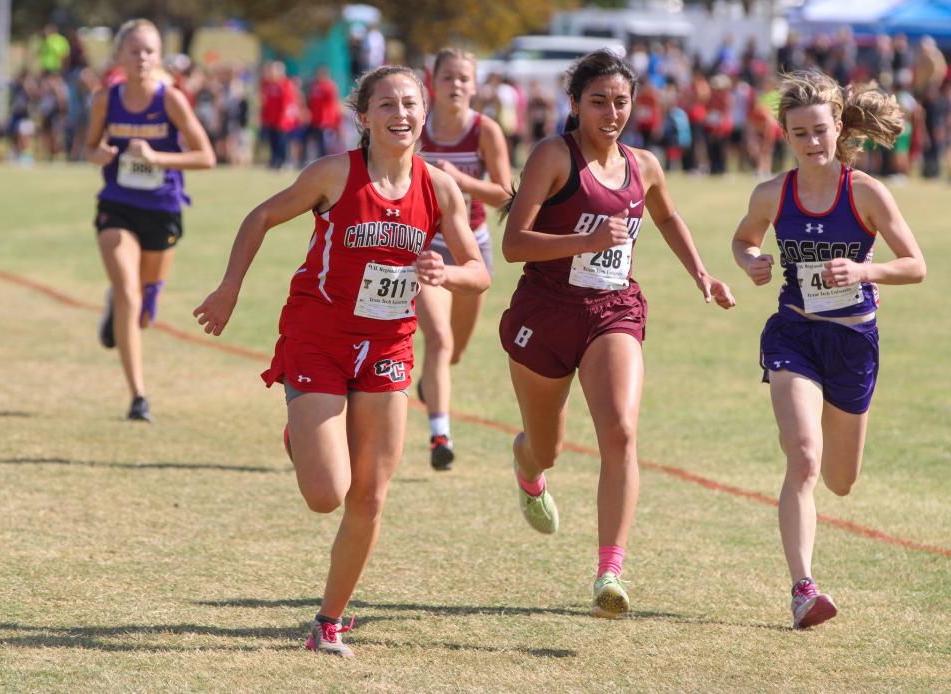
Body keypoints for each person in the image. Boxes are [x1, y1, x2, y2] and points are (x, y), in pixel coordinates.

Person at [193, 66, 489, 657]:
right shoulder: (335, 173)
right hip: (319, 339)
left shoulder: (441, 188)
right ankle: (303, 435)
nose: (400, 114)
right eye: (386, 104)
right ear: (364, 117)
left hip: (388, 346)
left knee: (371, 497)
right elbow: (261, 217)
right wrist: (229, 287)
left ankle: (328, 620)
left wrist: (447, 272)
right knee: (327, 493)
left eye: (410, 103)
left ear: (423, 113)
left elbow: (479, 273)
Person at [499, 50, 734, 619]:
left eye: (621, 102)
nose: (611, 112)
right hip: (545, 312)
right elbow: (513, 244)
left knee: (622, 431)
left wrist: (700, 272)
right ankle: (528, 468)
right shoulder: (554, 156)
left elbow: (668, 216)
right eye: (598, 101)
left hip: (613, 311)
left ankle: (610, 570)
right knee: (546, 444)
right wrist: (583, 241)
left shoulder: (644, 165)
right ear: (574, 103)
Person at [731, 70, 926, 629]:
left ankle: (807, 574)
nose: (812, 143)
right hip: (794, 332)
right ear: (786, 136)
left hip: (853, 341)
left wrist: (864, 268)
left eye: (820, 131)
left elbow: (916, 265)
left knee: (841, 479)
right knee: (805, 456)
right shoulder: (772, 194)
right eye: (799, 134)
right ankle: (803, 589)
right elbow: (744, 238)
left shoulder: (864, 191)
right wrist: (752, 261)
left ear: (838, 127)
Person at [84, 19, 215, 421]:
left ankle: (137, 299)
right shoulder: (107, 100)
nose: (141, 58)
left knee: (142, 306)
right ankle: (138, 396)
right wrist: (99, 154)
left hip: (162, 208)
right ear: (120, 56)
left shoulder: (170, 100)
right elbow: (88, 147)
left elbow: (205, 157)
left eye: (149, 51)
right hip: (118, 204)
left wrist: (158, 158)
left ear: (157, 57)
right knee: (127, 292)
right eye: (134, 50)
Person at [416, 47, 512, 469]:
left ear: (474, 86)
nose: (455, 85)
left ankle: (430, 385)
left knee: (454, 352)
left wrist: (457, 180)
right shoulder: (415, 129)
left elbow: (507, 194)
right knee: (439, 339)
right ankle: (440, 435)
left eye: (463, 78)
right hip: (422, 250)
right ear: (432, 83)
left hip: (472, 250)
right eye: (447, 77)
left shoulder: (484, 131)